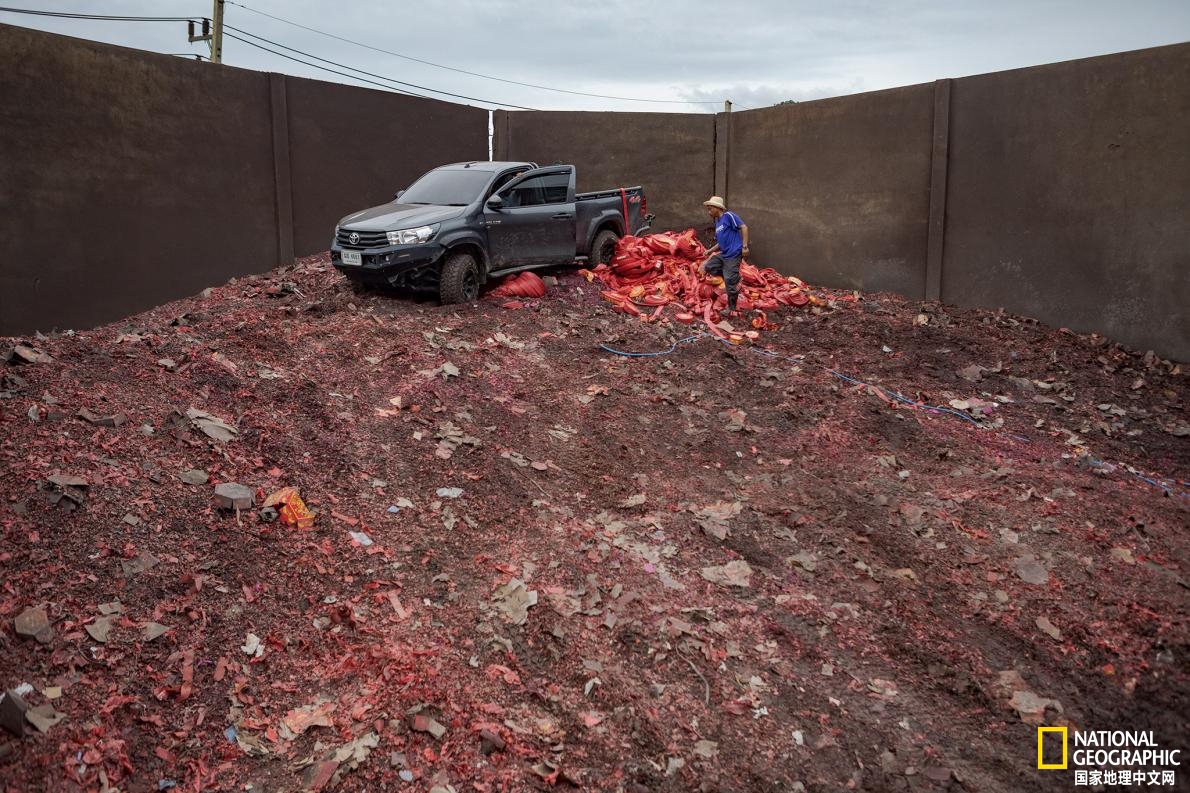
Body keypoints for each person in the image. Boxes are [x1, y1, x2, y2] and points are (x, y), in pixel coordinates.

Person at [700, 196, 749, 314]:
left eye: (710, 209)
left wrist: (745, 246)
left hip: (733, 254)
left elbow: (744, 227)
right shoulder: (718, 223)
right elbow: (720, 243)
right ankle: (733, 277)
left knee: (729, 282)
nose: (709, 212)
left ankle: (731, 308)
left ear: (718, 208)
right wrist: (709, 251)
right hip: (724, 254)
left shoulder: (728, 216)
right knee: (709, 267)